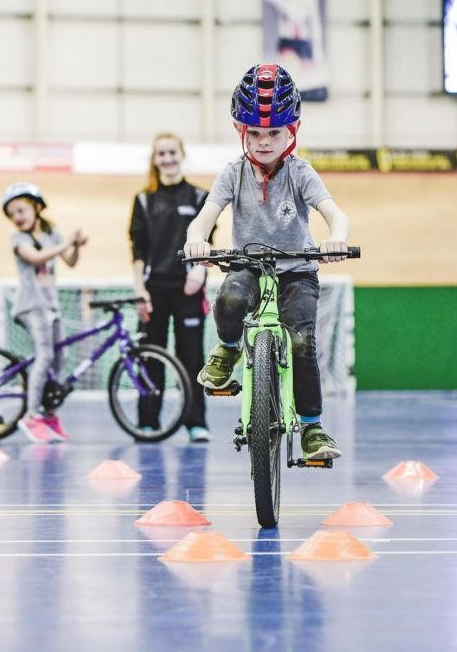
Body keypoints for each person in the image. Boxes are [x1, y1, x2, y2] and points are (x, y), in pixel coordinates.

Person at [182, 63, 351, 460]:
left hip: (298, 272)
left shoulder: (300, 173)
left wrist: (336, 238)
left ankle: (312, 429)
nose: (263, 142)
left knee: (301, 341)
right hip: (249, 266)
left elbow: (335, 214)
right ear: (241, 131)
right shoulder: (232, 174)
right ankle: (227, 350)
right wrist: (195, 240)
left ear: (292, 130)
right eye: (254, 133)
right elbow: (205, 217)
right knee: (229, 300)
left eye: (274, 132)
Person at [128, 132, 212, 443]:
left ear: (181, 154)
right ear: (155, 159)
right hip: (154, 291)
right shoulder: (143, 200)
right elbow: (138, 251)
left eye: (171, 152)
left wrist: (200, 273)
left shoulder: (200, 198)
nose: (167, 158)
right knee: (151, 357)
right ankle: (148, 422)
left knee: (191, 357)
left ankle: (195, 423)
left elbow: (207, 243)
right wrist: (140, 290)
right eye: (161, 154)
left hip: (188, 290)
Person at [3, 182, 87, 443]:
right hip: (30, 306)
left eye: (22, 210)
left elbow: (70, 262)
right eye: (12, 213)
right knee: (45, 355)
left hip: (51, 306)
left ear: (37, 207)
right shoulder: (18, 240)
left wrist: (76, 246)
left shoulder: (52, 234)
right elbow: (36, 258)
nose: (18, 217)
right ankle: (30, 416)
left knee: (60, 358)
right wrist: (66, 245)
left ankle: (49, 413)